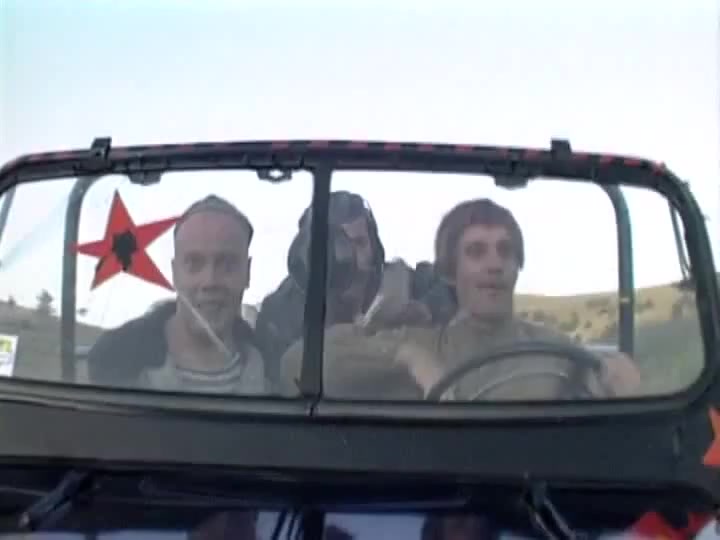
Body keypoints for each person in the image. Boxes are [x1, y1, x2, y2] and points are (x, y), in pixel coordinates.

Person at [278, 198, 641, 400]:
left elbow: (605, 390)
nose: (495, 264)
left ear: (518, 266)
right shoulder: (420, 343)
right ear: (450, 271)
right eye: (476, 252)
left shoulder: (554, 349)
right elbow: (295, 363)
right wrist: (407, 357)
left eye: (505, 251)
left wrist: (615, 379)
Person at [255, 190, 456, 387]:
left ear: (374, 246)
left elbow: (453, 286)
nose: (348, 256)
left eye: (359, 243)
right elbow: (284, 381)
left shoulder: (408, 283)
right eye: (336, 245)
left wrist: (426, 309)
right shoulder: (280, 312)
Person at [86, 195, 267, 395]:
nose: (210, 281)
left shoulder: (275, 373)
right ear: (174, 273)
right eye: (194, 263)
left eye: (227, 264)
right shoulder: (114, 366)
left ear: (247, 273)